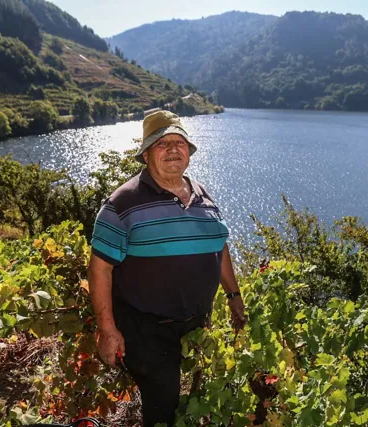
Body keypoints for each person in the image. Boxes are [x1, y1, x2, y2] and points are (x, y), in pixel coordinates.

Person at [87, 110, 247, 426]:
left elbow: (220, 246)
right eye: (162, 143)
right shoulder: (122, 203)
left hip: (197, 324)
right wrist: (107, 329)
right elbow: (99, 269)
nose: (173, 149)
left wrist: (234, 297)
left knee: (195, 396)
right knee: (164, 408)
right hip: (147, 329)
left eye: (180, 142)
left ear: (189, 151)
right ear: (146, 154)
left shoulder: (204, 196)